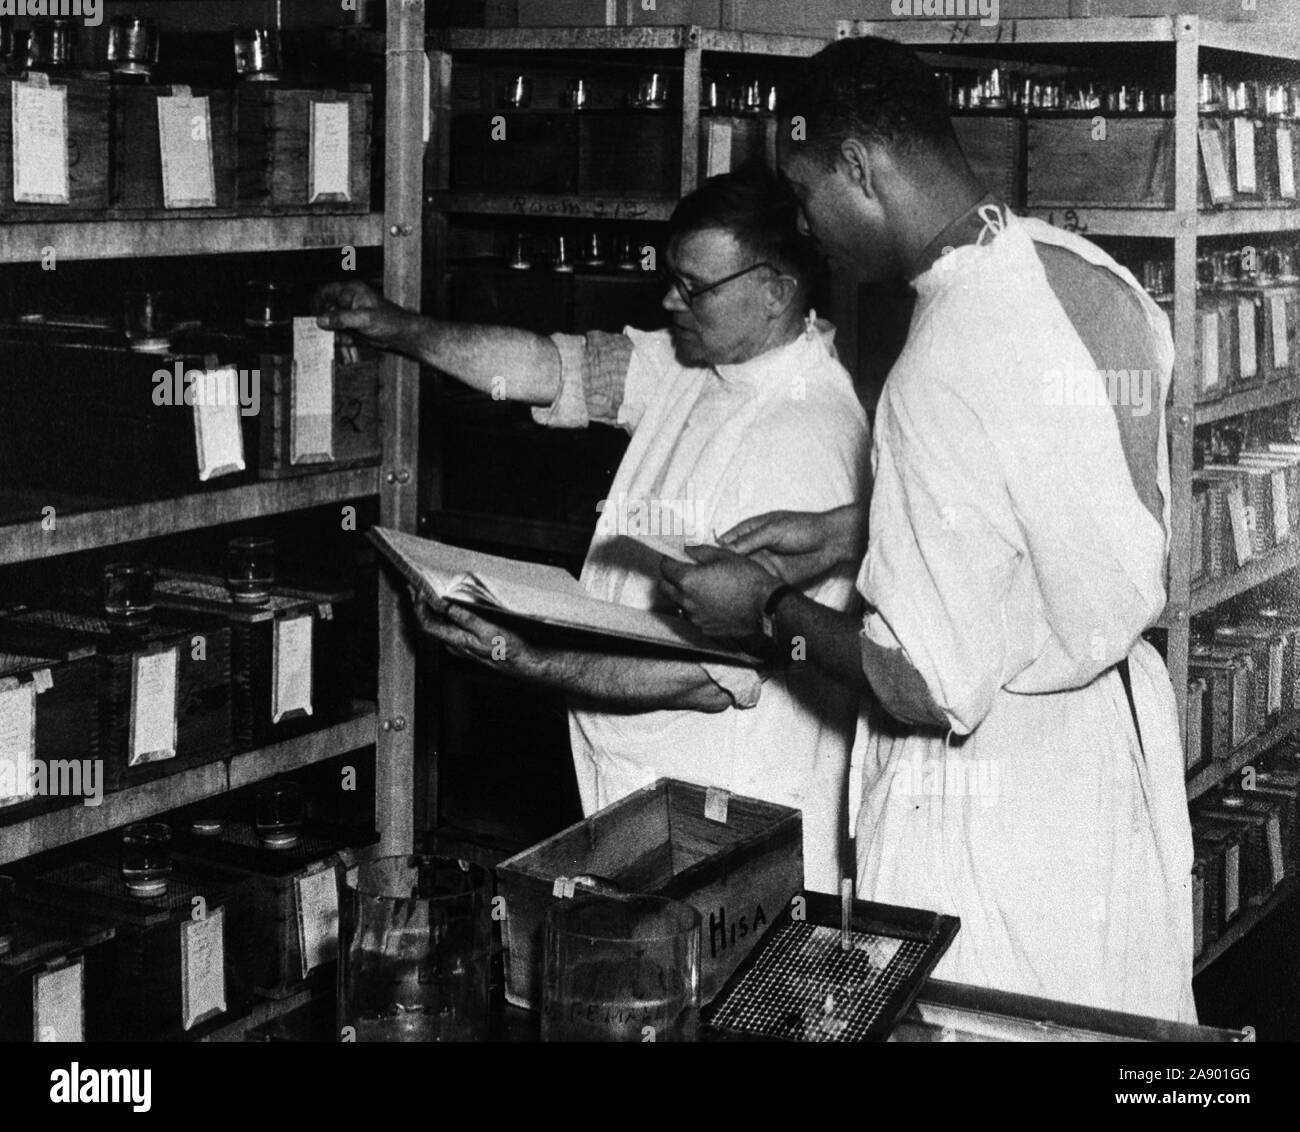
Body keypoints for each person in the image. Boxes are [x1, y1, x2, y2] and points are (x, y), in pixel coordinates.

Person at [659, 37, 1197, 1022]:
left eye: (807, 188)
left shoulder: (934, 365)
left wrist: (765, 611)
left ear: (860, 167)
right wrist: (845, 531)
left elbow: (922, 685)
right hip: (1100, 764)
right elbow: (1048, 502)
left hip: (992, 807)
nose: (806, 225)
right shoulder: (1086, 275)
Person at [316, 166, 871, 893]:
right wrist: (396, 328)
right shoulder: (701, 364)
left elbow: (712, 678)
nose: (671, 299)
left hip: (731, 813)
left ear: (775, 292)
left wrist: (534, 660)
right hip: (646, 786)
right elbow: (550, 367)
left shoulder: (808, 433)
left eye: (693, 286)